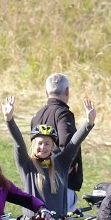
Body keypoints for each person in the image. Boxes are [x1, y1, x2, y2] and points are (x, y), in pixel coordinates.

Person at [3, 94, 96, 220]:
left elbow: (75, 143)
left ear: (53, 146)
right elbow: (18, 144)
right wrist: (9, 120)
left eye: (47, 144)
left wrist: (88, 123)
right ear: (33, 145)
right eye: (39, 143)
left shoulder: (61, 163)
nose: (43, 147)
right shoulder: (27, 165)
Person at [31, 73, 85, 209]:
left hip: (38, 176)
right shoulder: (63, 113)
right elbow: (68, 142)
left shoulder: (37, 115)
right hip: (60, 179)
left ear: (46, 93)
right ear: (67, 91)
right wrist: (67, 165)